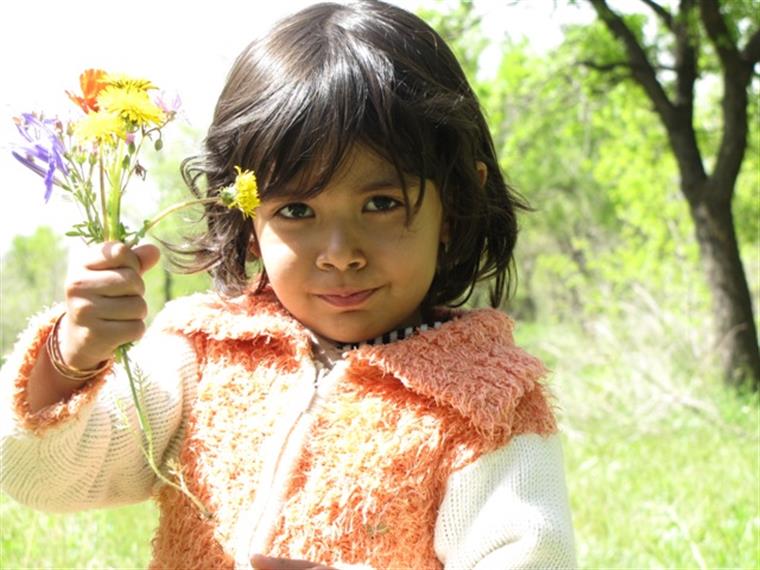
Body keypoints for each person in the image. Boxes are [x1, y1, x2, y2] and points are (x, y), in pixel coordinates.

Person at [0, 1, 576, 568]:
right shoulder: (201, 356)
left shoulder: (486, 404)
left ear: (455, 205)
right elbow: (39, 479)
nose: (340, 254)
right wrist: (70, 359)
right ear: (248, 217)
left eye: (381, 203)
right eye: (297, 210)